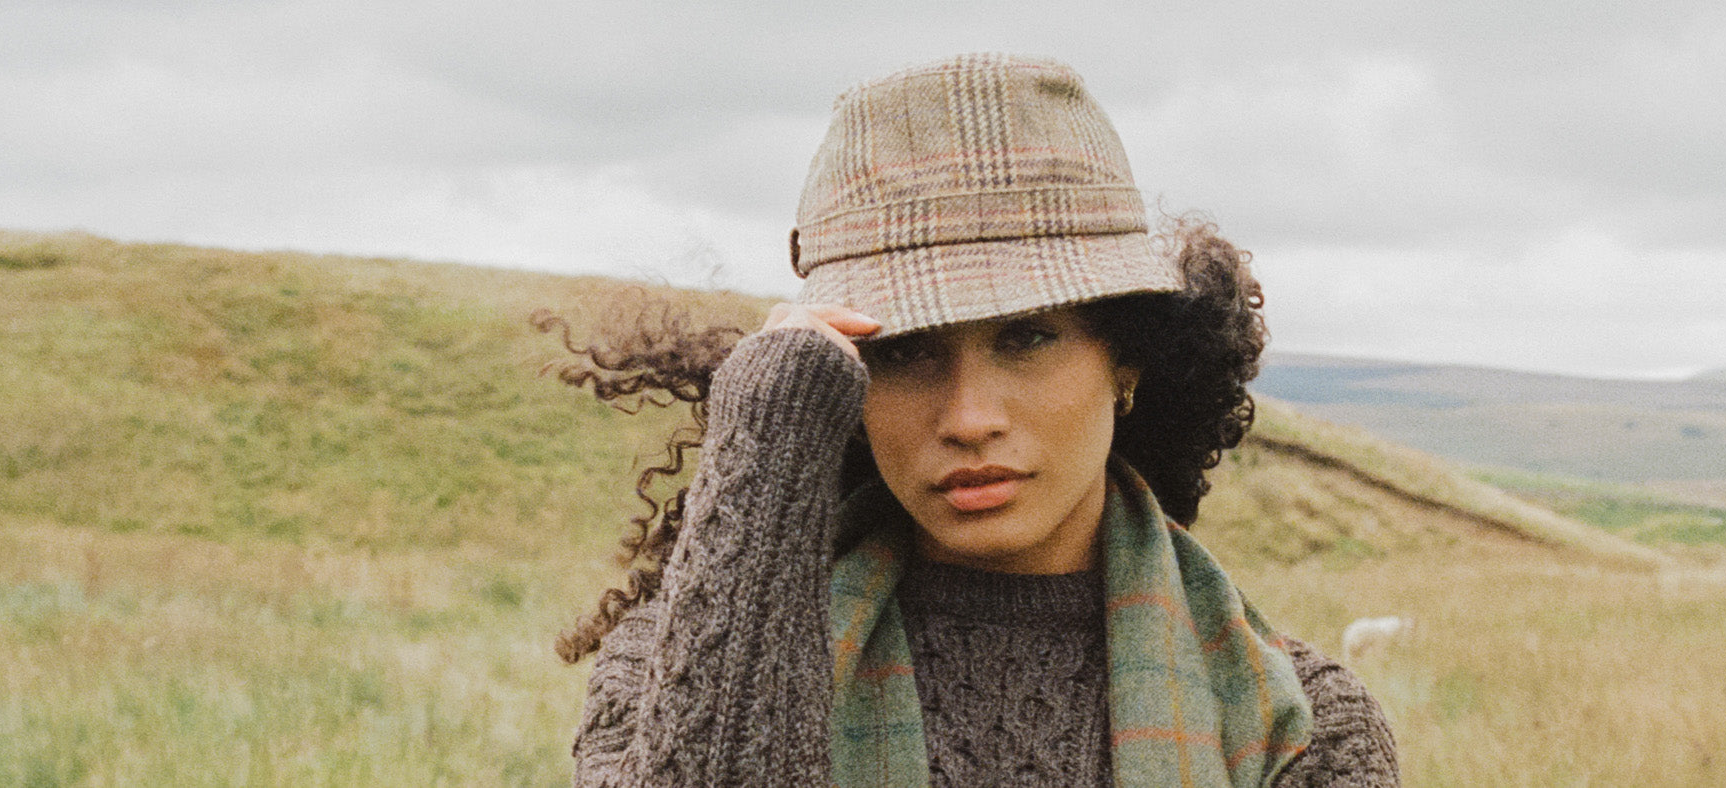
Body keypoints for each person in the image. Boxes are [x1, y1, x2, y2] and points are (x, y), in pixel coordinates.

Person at [554, 53, 1400, 787]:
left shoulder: (1303, 727)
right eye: (903, 351)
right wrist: (767, 443)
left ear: (1125, 361)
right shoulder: (670, 672)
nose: (968, 417)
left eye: (1027, 336)